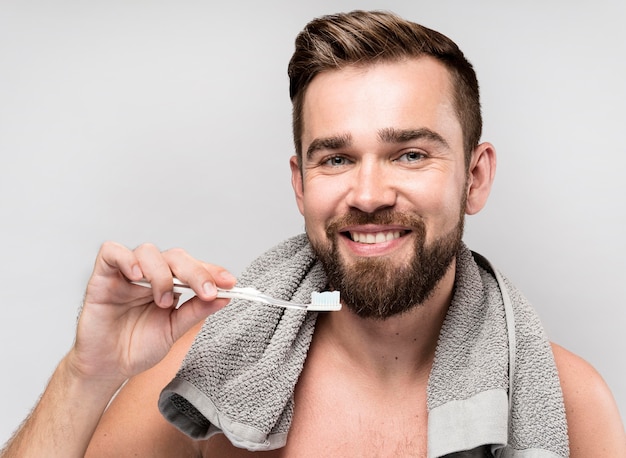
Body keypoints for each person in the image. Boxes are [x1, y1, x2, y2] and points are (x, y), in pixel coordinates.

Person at [1, 10, 624, 458]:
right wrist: (88, 373)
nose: (370, 194)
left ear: (475, 177)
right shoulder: (207, 385)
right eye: (336, 159)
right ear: (301, 184)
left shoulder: (571, 405)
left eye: (410, 154)